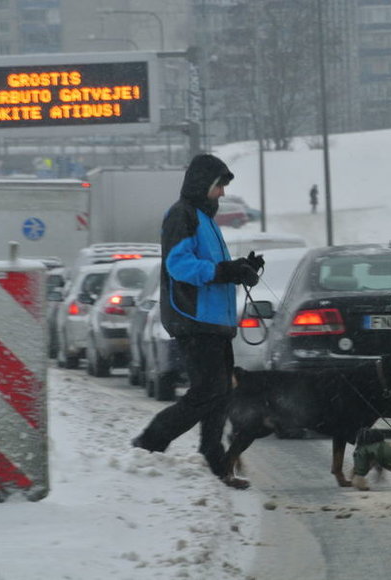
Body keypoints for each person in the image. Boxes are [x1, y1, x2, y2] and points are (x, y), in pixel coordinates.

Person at [131, 153, 264, 489]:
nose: (221, 193)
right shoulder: (182, 216)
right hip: (193, 318)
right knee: (206, 391)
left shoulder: (204, 218)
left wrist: (239, 268)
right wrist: (224, 271)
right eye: (219, 186)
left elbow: (211, 267)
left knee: (220, 394)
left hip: (214, 320)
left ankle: (213, 456)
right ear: (202, 184)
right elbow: (181, 267)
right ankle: (150, 443)